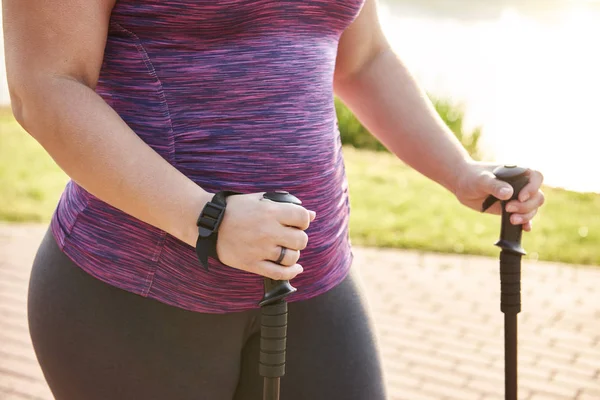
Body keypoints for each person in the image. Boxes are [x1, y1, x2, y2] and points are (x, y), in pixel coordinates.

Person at [3, 0, 545, 399]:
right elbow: (46, 86)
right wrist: (207, 219)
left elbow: (362, 59)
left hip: (311, 277)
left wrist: (459, 170)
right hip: (136, 293)